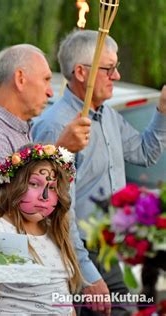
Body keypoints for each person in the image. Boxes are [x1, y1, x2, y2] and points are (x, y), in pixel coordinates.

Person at [0, 44, 112, 315]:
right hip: (5, 294)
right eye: (47, 80)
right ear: (20, 79)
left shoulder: (17, 130)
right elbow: (17, 209)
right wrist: (61, 151)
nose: (51, 92)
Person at [32, 29, 166, 315]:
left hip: (107, 249)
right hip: (75, 254)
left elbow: (145, 153)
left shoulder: (108, 116)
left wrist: (163, 111)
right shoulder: (57, 126)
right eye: (109, 68)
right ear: (81, 73)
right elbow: (52, 208)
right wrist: (87, 273)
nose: (116, 75)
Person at [0, 144, 83, 315]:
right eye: (34, 184)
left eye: (52, 187)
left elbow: (64, 301)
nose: (44, 196)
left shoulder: (54, 230)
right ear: (13, 184)